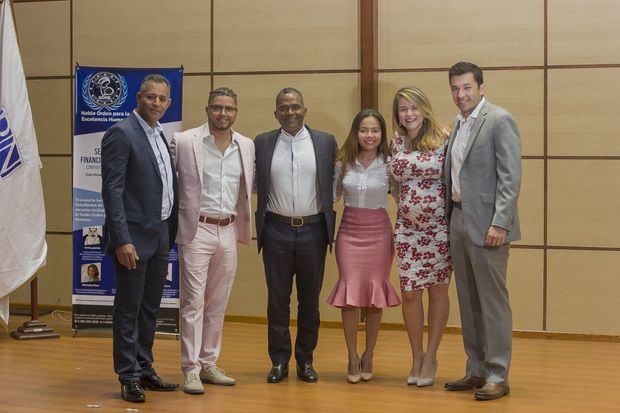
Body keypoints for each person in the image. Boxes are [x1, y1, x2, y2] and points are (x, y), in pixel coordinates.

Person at [443, 61, 521, 401]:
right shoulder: (458, 125)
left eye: (467, 88)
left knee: (492, 303)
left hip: (490, 226)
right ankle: (475, 369)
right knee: (468, 300)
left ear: (481, 87)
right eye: (455, 89)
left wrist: (500, 222)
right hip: (458, 220)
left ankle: (497, 374)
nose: (461, 94)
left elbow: (510, 176)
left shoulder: (499, 120)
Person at [171, 87, 255, 394]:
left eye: (229, 109)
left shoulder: (246, 145)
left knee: (218, 301)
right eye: (217, 108)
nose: (223, 113)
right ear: (207, 110)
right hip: (197, 229)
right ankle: (190, 368)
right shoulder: (184, 141)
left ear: (236, 112)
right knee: (193, 302)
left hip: (228, 230)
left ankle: (208, 364)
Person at [101, 74, 179, 403]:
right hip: (132, 237)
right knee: (128, 309)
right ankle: (128, 375)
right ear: (138, 97)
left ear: (169, 103)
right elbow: (112, 190)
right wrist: (121, 239)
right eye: (151, 97)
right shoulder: (121, 133)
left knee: (149, 308)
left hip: (161, 233)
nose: (156, 103)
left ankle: (145, 367)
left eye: (162, 99)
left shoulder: (160, 133)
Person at [254, 87, 337, 383]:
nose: (290, 112)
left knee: (309, 301)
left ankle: (305, 361)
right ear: (275, 112)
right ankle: (278, 361)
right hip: (275, 229)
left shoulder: (326, 142)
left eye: (295, 106)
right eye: (283, 107)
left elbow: (336, 183)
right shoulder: (262, 143)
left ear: (305, 109)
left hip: (314, 230)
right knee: (277, 300)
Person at [326, 109, 401, 384]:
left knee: (373, 295)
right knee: (350, 292)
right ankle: (351, 355)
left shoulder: (391, 163)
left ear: (382, 134)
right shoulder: (342, 162)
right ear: (356, 133)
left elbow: (403, 196)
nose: (369, 135)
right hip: (349, 232)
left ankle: (368, 355)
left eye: (375, 130)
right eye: (364, 130)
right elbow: (331, 196)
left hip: (379, 233)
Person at [390, 86, 452, 387]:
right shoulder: (396, 142)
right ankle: (416, 355)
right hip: (407, 231)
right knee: (411, 293)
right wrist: (404, 206)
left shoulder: (443, 136)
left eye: (413, 107)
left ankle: (432, 355)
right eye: (403, 109)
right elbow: (394, 183)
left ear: (424, 108)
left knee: (438, 290)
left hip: (439, 230)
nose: (409, 114)